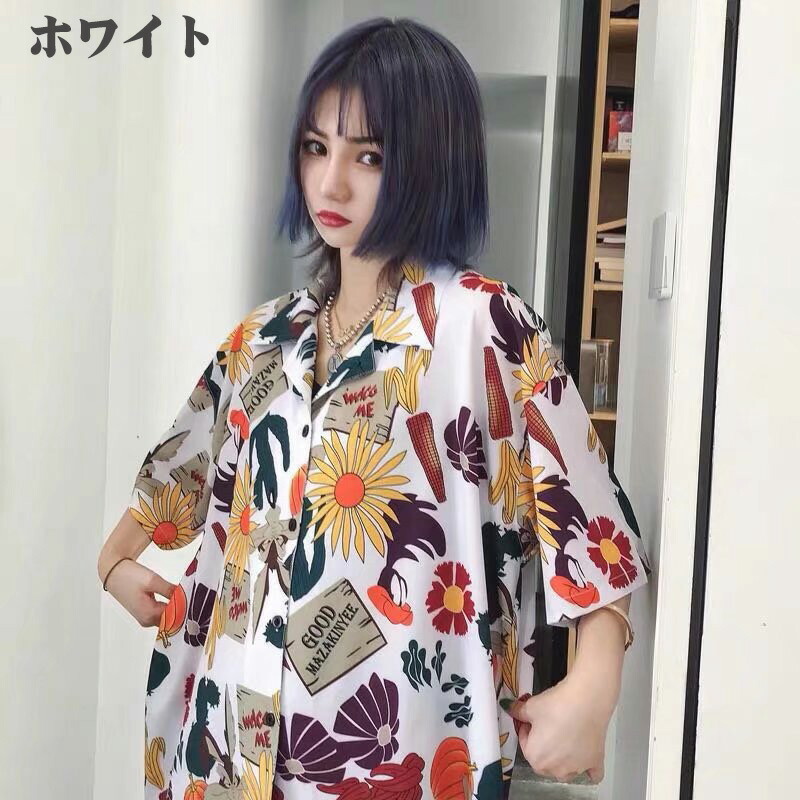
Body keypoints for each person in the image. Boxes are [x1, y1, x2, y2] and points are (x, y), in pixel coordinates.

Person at [97, 16, 652, 800]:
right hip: (228, 751)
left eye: (370, 156)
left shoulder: (482, 327)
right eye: (316, 147)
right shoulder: (262, 339)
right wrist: (115, 565)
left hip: (402, 758)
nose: (330, 184)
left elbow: (593, 529)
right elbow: (176, 482)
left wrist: (593, 689)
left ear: (431, 162)